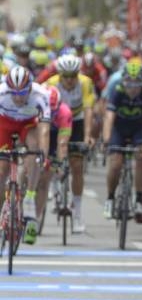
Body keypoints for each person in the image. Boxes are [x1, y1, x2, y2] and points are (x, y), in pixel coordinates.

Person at [43, 53, 96, 233]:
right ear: (60, 75)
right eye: (66, 76)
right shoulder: (50, 84)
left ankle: (78, 213)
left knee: (76, 165)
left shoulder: (85, 83)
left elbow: (89, 110)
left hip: (77, 119)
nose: (70, 80)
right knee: (49, 158)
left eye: (74, 75)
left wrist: (87, 136)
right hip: (55, 120)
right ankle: (54, 184)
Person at [101, 61, 142, 222]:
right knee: (116, 163)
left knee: (141, 157)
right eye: (129, 83)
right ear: (123, 81)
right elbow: (109, 117)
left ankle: (139, 200)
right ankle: (110, 199)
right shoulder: (116, 90)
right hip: (118, 128)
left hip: (138, 129)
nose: (133, 88)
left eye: (137, 83)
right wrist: (106, 139)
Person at [0, 66, 51, 244]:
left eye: (22, 92)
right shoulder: (1, 93)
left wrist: (42, 154)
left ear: (30, 87)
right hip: (4, 124)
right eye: (14, 93)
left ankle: (29, 195)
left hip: (27, 125)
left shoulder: (41, 95)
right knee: (1, 171)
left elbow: (44, 129)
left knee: (34, 148)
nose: (18, 97)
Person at [36, 85, 73, 224]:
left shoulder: (65, 112)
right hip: (37, 132)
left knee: (45, 177)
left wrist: (58, 163)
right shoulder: (33, 106)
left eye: (53, 111)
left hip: (55, 136)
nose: (50, 114)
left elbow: (62, 143)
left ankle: (37, 217)